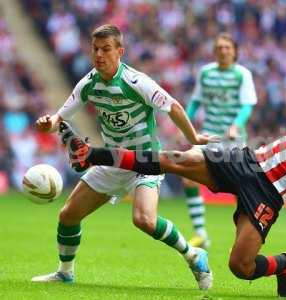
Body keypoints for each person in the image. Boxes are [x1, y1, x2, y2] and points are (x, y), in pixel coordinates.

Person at [61, 106, 286, 299]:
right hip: (246, 160)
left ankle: (285, 264)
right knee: (176, 160)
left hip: (268, 193)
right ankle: (93, 154)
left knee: (240, 267)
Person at [32, 24, 214, 290]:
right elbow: (61, 116)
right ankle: (65, 272)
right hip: (112, 161)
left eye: (106, 49)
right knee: (68, 215)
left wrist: (193, 137)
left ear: (120, 51)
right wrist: (47, 123)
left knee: (144, 220)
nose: (99, 55)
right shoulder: (89, 83)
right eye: (95, 49)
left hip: (145, 161)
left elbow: (172, 105)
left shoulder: (135, 81)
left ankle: (193, 254)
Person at [183, 33, 257, 248]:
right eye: (219, 47)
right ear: (215, 51)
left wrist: (236, 124)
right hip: (209, 136)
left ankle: (243, 237)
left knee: (241, 189)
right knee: (187, 176)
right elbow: (196, 101)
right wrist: (185, 125)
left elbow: (247, 105)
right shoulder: (206, 73)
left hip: (233, 140)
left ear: (234, 51)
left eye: (227, 47)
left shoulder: (243, 74)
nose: (223, 51)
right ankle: (201, 234)